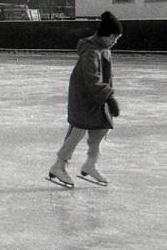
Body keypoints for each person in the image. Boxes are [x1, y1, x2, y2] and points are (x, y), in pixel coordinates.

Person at [48, 11, 123, 188]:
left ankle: (90, 164)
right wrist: (109, 97)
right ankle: (59, 164)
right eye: (113, 37)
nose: (115, 41)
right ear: (104, 34)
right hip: (84, 97)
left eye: (117, 38)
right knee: (78, 129)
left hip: (95, 97)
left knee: (102, 127)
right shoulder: (91, 52)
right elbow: (92, 79)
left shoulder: (102, 49)